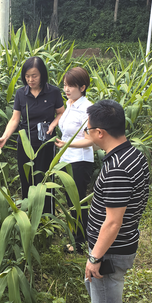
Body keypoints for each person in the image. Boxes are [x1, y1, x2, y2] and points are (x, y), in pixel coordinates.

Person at [82, 99, 149, 303]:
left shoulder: (118, 168)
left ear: (100, 133)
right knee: (104, 301)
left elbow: (112, 222)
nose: (86, 134)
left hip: (111, 251)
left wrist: (95, 257)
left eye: (87, 130)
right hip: (121, 244)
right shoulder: (133, 154)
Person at [0, 56, 64, 214]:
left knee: (44, 180)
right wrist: (5, 137)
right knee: (26, 178)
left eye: (34, 76)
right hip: (25, 143)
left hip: (46, 143)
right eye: (27, 76)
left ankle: (46, 216)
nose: (30, 80)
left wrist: (53, 124)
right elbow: (15, 119)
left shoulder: (53, 92)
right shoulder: (21, 93)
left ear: (42, 75)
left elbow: (61, 112)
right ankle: (29, 214)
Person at [54, 67, 94, 252]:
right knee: (70, 201)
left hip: (80, 161)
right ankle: (76, 234)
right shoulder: (69, 104)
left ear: (82, 87)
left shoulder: (87, 109)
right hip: (67, 159)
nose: (66, 89)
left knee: (77, 201)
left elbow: (90, 140)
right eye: (65, 85)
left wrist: (67, 144)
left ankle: (79, 242)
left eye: (71, 86)